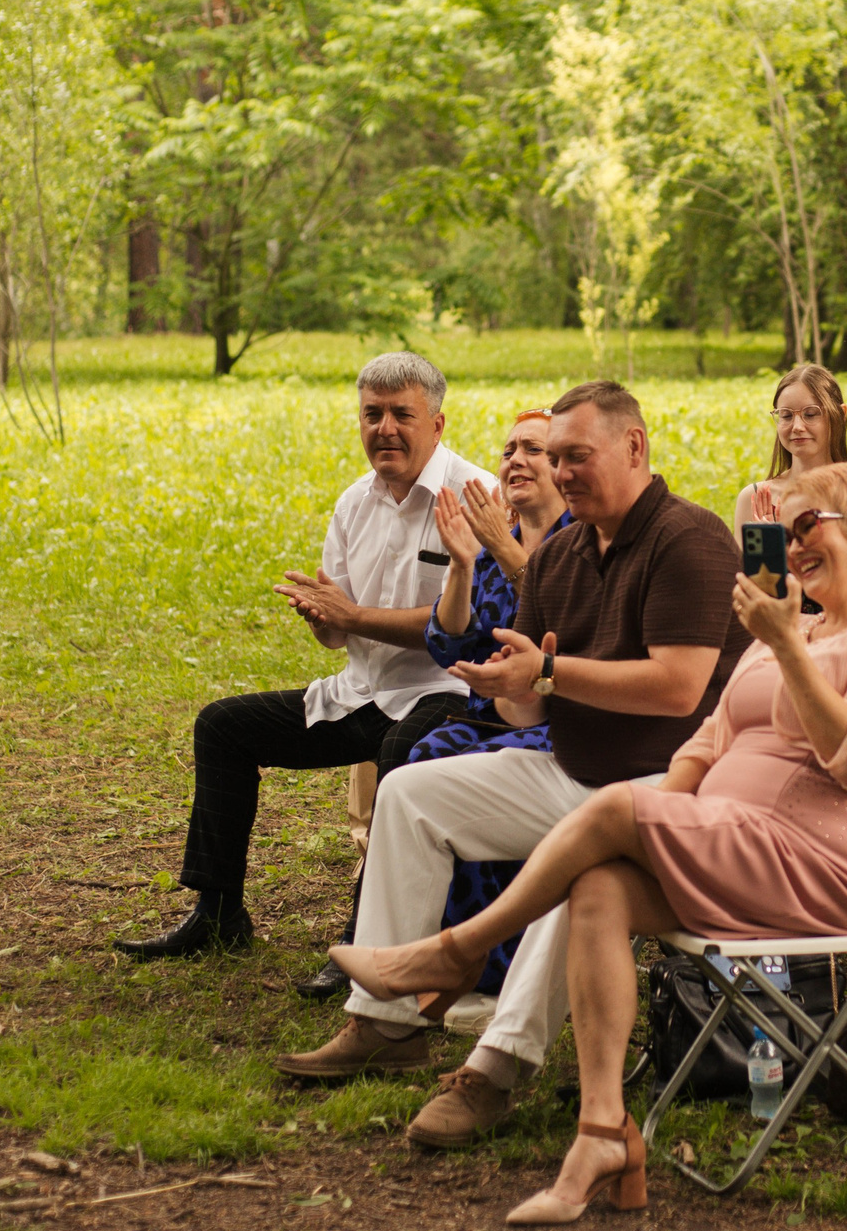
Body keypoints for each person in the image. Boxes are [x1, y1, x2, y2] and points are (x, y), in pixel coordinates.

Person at [331, 462, 847, 1226]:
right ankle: (603, 1132)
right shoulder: (792, 629)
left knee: (612, 809)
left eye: (808, 525)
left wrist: (784, 650)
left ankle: (457, 951)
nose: (792, 547)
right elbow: (709, 738)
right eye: (781, 531)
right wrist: (668, 810)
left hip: (828, 865)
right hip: (739, 846)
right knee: (600, 881)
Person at [274, 381, 749, 1129]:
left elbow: (677, 687)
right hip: (576, 769)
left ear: (634, 446)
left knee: (591, 865)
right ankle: (386, 1023)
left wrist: (548, 672)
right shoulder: (558, 554)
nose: (561, 472)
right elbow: (529, 701)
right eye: (554, 457)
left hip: (679, 787)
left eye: (576, 456)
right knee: (412, 792)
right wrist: (510, 686)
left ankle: (494, 1069)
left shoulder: (688, 537)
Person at [113, 353, 492, 979]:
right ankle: (218, 912)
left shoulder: (476, 497)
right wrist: (326, 621)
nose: (385, 429)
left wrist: (353, 615)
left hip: (445, 692)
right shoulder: (354, 503)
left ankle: (366, 938)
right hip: (361, 692)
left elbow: (463, 630)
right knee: (222, 726)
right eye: (372, 414)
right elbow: (340, 633)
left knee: (402, 753)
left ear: (437, 424)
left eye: (402, 415)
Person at [290, 407, 574, 1009]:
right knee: (423, 757)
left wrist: (502, 547)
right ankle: (418, 947)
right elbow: (449, 640)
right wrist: (464, 564)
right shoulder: (494, 539)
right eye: (509, 450)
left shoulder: (578, 540)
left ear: (564, 467)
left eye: (534, 450)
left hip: (562, 721)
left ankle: (484, 964)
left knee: (454, 772)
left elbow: (566, 624)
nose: (516, 460)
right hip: (486, 712)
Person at [734, 363, 847, 524]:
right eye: (786, 416)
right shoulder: (755, 499)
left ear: (840, 414)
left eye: (810, 414)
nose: (797, 427)